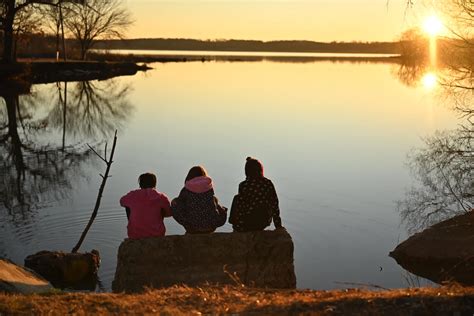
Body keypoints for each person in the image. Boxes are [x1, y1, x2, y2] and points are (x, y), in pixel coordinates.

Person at [229, 157, 282, 232]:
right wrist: (278, 226)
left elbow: (241, 207)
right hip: (264, 221)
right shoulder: (268, 183)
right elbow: (275, 204)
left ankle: (238, 226)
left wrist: (238, 226)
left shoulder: (244, 185)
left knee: (237, 198)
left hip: (248, 221)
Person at [171, 166, 227, 234]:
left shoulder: (186, 189)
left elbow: (179, 202)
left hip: (192, 227)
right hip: (211, 226)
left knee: (175, 203)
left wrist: (174, 201)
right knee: (214, 199)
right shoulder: (209, 187)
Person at [120, 172, 172, 239]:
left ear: (140, 184)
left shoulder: (132, 195)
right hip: (157, 234)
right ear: (154, 184)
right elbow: (169, 213)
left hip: (135, 235)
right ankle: (154, 228)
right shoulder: (161, 197)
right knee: (161, 208)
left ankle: (135, 227)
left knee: (128, 206)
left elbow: (122, 202)